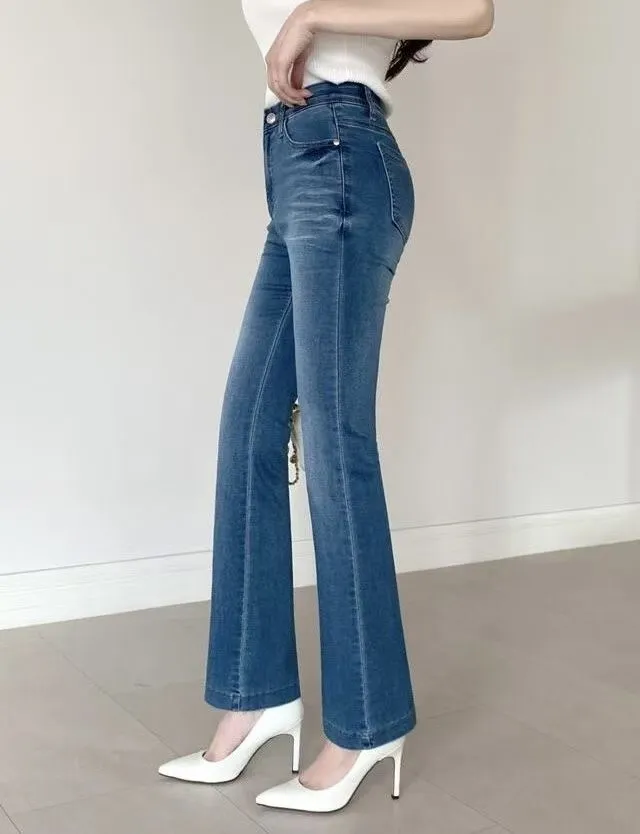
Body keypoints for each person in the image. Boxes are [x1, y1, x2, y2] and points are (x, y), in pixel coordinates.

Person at [159, 0, 494, 813]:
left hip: (339, 155)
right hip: (299, 159)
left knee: (336, 447)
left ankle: (366, 722)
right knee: (248, 431)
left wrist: (310, 16)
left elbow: (475, 9)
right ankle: (256, 697)